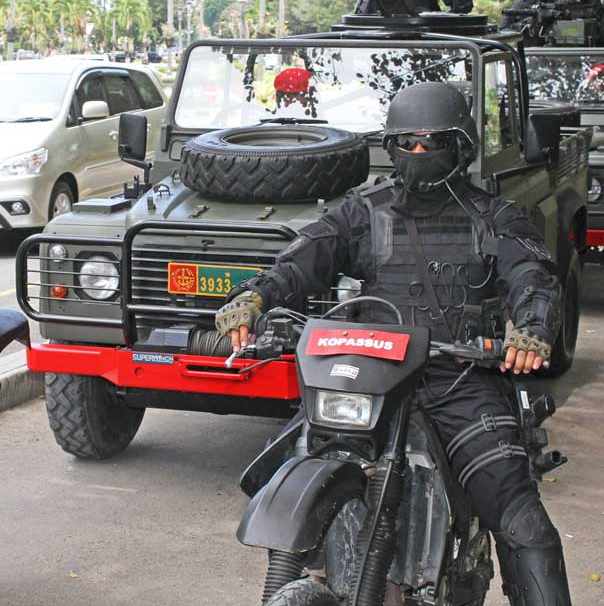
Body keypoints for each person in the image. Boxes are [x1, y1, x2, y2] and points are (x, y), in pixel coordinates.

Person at [216, 82, 572, 605]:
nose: (420, 154)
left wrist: (533, 327)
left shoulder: (493, 217)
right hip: (372, 380)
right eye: (408, 143)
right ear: (391, 146)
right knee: (281, 467)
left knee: (522, 522)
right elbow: (308, 255)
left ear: (462, 147)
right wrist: (256, 297)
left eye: (432, 143)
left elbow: (532, 275)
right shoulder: (363, 212)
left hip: (460, 382)